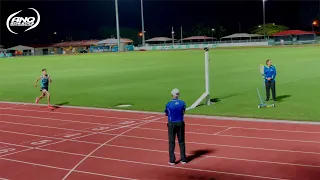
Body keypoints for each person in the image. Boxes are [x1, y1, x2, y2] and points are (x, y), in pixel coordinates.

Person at [164, 88, 187, 165]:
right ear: (178, 94)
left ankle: (172, 160)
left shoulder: (168, 104)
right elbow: (183, 112)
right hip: (180, 122)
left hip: (172, 123)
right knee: (182, 142)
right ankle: (183, 159)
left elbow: (166, 113)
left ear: (172, 95)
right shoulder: (182, 103)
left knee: (171, 142)